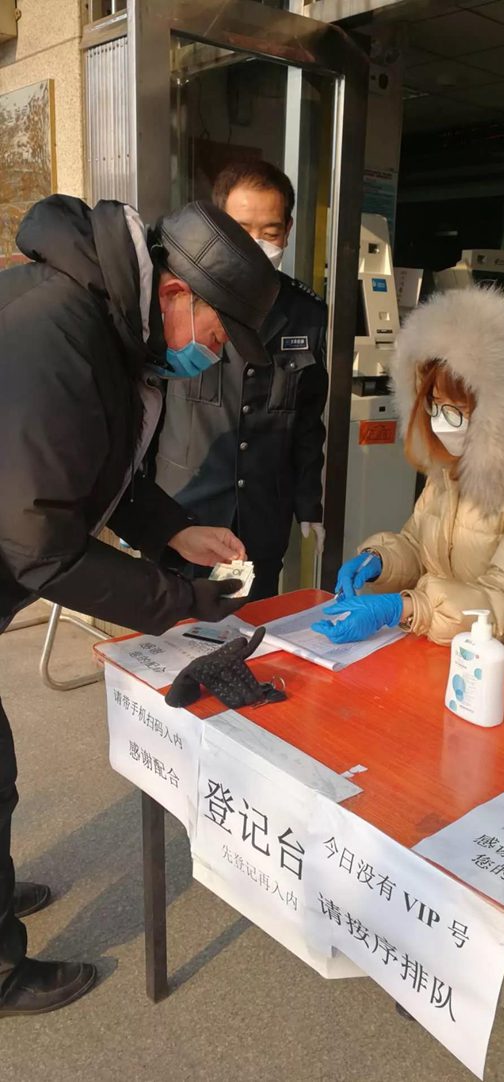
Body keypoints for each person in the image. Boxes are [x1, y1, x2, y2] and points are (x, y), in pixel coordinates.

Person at [0, 193, 279, 1015]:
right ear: (175, 293)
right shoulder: (57, 334)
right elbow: (40, 540)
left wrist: (173, 531)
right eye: (217, 338)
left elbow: (93, 469)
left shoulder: (108, 329)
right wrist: (180, 602)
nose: (212, 358)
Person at [313, 286, 504, 669]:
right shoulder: (450, 466)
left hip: (503, 673)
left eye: (457, 408)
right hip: (436, 655)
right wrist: (379, 560)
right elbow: (418, 544)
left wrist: (406, 607)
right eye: (435, 405)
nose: (443, 422)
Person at [155, 160, 328, 600]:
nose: (256, 244)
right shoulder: (182, 298)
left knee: (253, 629)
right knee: (172, 628)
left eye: (270, 232)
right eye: (241, 230)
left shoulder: (306, 314)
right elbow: (148, 402)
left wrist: (309, 501)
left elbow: (308, 418)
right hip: (183, 508)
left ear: (287, 231)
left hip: (262, 516)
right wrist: (133, 503)